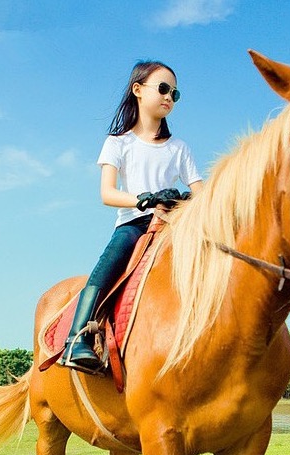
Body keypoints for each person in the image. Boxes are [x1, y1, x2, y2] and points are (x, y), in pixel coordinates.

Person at [59, 60, 203, 373]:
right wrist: (144, 199)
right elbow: (107, 194)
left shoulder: (180, 148)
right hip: (133, 224)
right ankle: (76, 339)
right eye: (163, 89)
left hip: (173, 226)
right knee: (106, 268)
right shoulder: (118, 142)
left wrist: (185, 200)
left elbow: (202, 193)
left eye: (175, 94)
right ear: (138, 90)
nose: (169, 97)